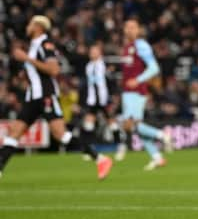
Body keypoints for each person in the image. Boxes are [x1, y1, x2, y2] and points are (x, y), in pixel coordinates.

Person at [0, 16, 113, 179]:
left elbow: (54, 70)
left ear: (38, 27)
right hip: (33, 97)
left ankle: (100, 159)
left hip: (45, 95)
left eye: (30, 24)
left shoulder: (45, 45)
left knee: (61, 134)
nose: (27, 26)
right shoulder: (34, 46)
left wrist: (27, 59)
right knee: (14, 132)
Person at [117, 18, 172, 170]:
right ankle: (157, 157)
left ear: (138, 30)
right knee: (136, 127)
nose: (129, 30)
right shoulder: (127, 46)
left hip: (136, 91)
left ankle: (161, 135)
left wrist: (138, 79)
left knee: (130, 124)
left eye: (133, 27)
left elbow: (154, 68)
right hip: (128, 91)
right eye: (127, 27)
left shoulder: (141, 45)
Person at [80, 44, 122, 158]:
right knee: (88, 123)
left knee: (111, 122)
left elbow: (111, 81)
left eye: (94, 51)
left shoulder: (104, 65)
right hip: (92, 100)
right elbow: (87, 85)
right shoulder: (88, 66)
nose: (92, 53)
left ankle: (120, 146)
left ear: (100, 53)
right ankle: (90, 150)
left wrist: (113, 96)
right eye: (91, 51)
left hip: (104, 99)